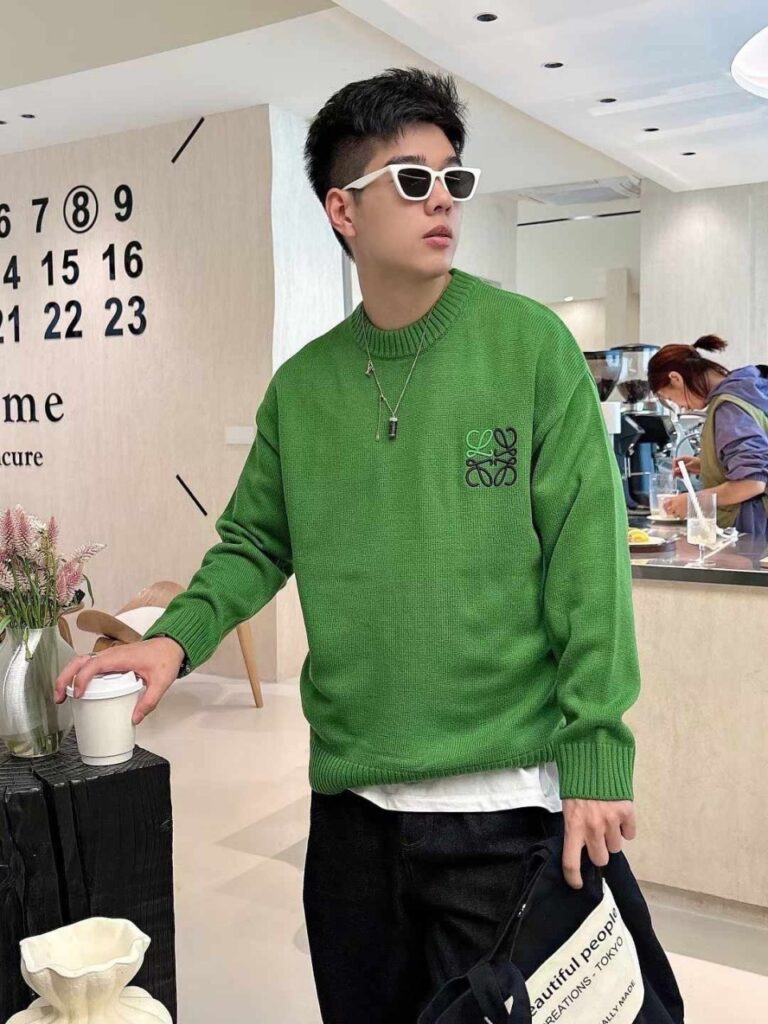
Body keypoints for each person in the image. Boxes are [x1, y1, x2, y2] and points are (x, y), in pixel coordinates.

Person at [56, 68, 642, 1022]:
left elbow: (589, 566)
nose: (442, 199)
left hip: (509, 809)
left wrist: (597, 757)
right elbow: (253, 543)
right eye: (412, 180)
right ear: (343, 209)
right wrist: (172, 640)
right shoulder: (302, 390)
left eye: (453, 178)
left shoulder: (530, 348)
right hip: (354, 821)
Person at [649, 336, 768, 535]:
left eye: (671, 398)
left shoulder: (729, 407)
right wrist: (705, 465)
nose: (682, 407)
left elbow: (752, 483)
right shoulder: (749, 390)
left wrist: (692, 502)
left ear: (676, 378)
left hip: (754, 529)